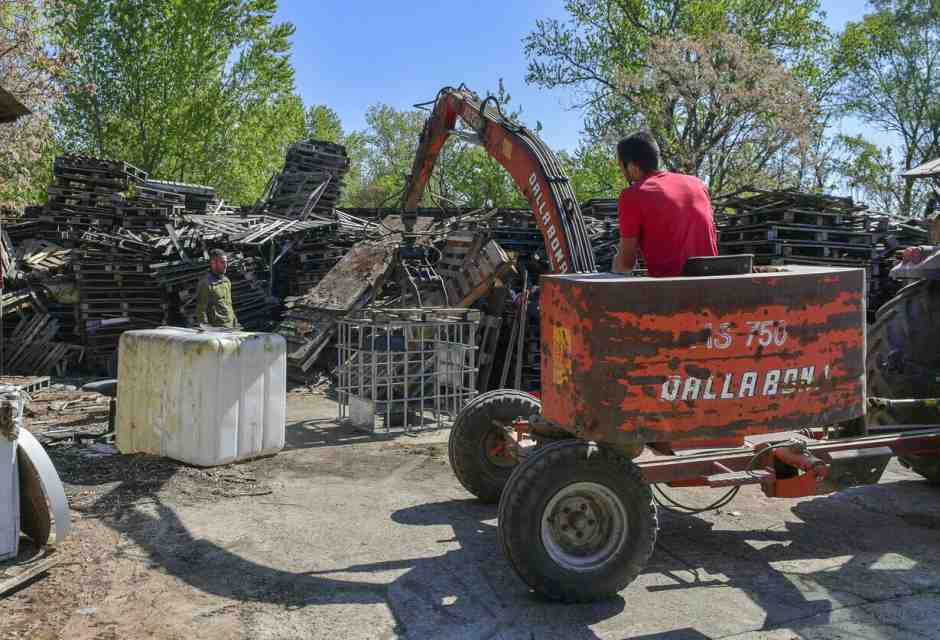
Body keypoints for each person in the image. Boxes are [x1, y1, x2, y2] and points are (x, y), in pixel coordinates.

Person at [612, 131, 718, 277]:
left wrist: (615, 263)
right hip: (715, 282)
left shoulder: (632, 195)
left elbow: (626, 264)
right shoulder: (698, 184)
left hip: (670, 290)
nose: (622, 172)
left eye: (621, 167)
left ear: (631, 166)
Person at [194, 249, 237, 328]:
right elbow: (201, 310)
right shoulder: (206, 283)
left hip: (231, 327)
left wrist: (235, 322)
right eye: (222, 262)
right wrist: (207, 330)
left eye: (226, 262)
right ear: (213, 263)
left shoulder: (226, 281)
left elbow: (229, 305)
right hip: (217, 330)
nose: (226, 265)